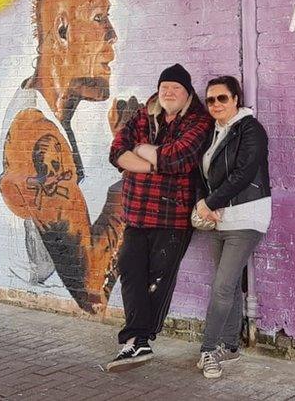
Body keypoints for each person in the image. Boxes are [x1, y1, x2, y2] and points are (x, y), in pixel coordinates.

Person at [0, 0, 139, 314]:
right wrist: (134, 167)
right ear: (61, 32)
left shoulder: (48, 115)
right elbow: (91, 289)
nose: (113, 36)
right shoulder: (36, 133)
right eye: (99, 18)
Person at [105, 63, 213, 372]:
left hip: (172, 215)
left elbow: (179, 157)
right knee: (129, 268)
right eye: (165, 86)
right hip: (136, 212)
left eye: (176, 88)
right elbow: (116, 151)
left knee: (158, 279)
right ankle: (137, 340)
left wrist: (140, 150)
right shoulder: (143, 113)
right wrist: (153, 163)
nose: (168, 92)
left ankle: (139, 339)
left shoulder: (198, 120)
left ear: (187, 92)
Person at [194, 75, 271, 379]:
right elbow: (198, 176)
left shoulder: (251, 130)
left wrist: (208, 203)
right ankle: (230, 345)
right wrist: (204, 201)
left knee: (222, 286)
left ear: (236, 99)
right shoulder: (212, 134)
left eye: (221, 98)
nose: (215, 104)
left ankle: (209, 349)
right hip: (218, 219)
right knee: (228, 284)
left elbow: (244, 173)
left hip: (247, 216)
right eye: (210, 99)